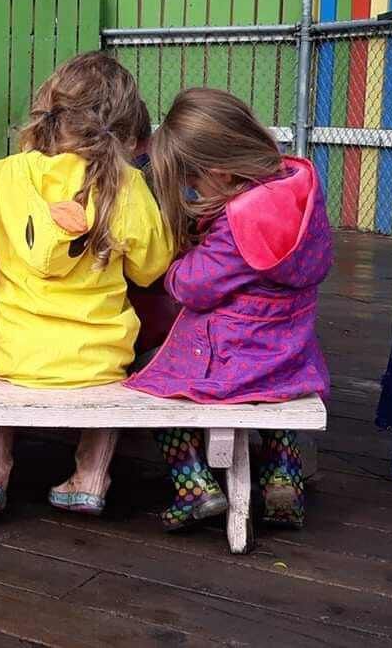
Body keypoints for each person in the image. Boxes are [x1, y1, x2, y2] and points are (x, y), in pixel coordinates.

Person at [0, 52, 174, 515]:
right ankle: (91, 477)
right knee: (112, 371)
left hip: (15, 353)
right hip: (99, 358)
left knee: (6, 364)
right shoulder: (126, 184)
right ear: (122, 122)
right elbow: (150, 268)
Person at [125, 88, 332, 530]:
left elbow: (191, 288)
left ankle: (194, 485)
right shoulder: (297, 192)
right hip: (290, 357)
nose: (190, 191)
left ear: (219, 173)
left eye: (192, 183)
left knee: (153, 387)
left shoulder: (239, 224)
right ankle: (283, 477)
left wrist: (178, 260)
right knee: (275, 403)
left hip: (237, 360)